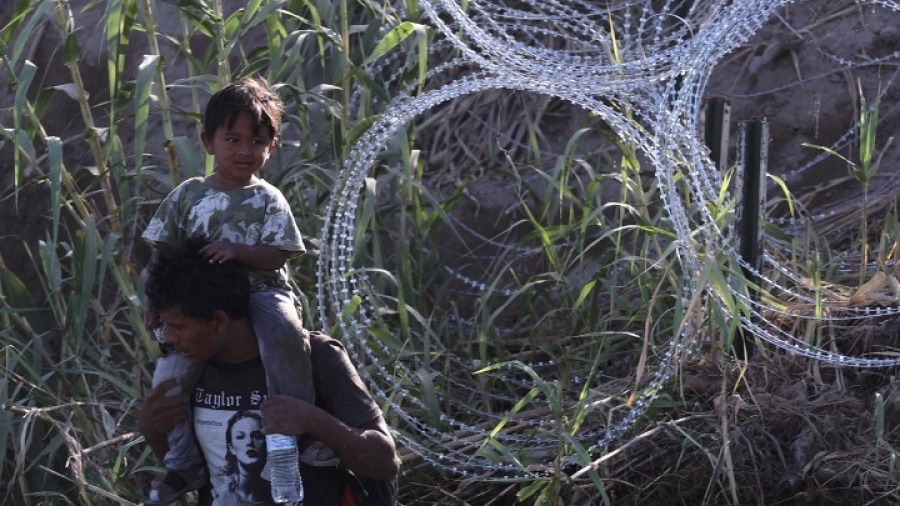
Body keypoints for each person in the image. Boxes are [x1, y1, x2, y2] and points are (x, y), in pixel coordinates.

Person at [141, 77, 315, 505]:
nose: (243, 151)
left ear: (271, 148)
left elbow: (280, 254)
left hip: (260, 293)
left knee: (288, 334)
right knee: (168, 378)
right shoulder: (188, 195)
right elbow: (163, 248)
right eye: (232, 139)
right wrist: (156, 305)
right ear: (208, 142)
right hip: (200, 306)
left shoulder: (269, 200)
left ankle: (300, 435)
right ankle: (182, 464)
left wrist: (238, 251)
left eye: (256, 141)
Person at [138, 238, 400, 506]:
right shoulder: (189, 374)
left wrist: (312, 420)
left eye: (177, 326)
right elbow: (202, 475)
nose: (167, 338)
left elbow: (384, 462)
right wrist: (152, 430)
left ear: (218, 321)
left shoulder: (315, 358)